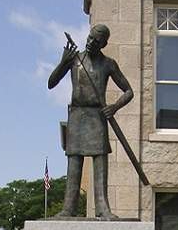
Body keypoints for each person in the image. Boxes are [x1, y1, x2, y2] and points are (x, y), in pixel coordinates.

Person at [48, 24, 133, 219]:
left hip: (97, 116)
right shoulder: (74, 59)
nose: (91, 42)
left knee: (100, 161)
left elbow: (129, 91)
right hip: (77, 115)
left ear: (103, 44)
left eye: (96, 40)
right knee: (74, 162)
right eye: (90, 37)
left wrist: (114, 107)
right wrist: (63, 62)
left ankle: (103, 207)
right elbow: (51, 83)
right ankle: (68, 208)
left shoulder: (108, 64)